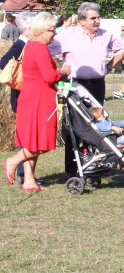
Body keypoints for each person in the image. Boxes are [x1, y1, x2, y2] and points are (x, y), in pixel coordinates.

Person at [49, 2, 124, 178]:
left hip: (97, 84)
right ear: (81, 20)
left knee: (97, 123)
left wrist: (110, 66)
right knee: (74, 126)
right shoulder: (68, 36)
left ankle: (95, 165)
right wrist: (60, 72)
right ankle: (73, 169)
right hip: (76, 85)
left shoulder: (106, 35)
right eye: (93, 18)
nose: (97, 21)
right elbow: (46, 50)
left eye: (98, 17)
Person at [3, 13, 71, 192]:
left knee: (32, 140)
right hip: (38, 100)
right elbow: (49, 77)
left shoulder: (32, 46)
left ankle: (29, 181)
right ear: (42, 30)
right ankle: (13, 161)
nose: (54, 35)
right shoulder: (39, 48)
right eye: (52, 31)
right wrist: (63, 71)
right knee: (42, 142)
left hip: (32, 98)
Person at [0, 12, 36, 182]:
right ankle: (23, 173)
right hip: (22, 96)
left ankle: (27, 175)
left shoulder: (29, 44)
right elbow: (3, 63)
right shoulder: (21, 45)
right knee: (26, 138)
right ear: (27, 28)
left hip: (26, 96)